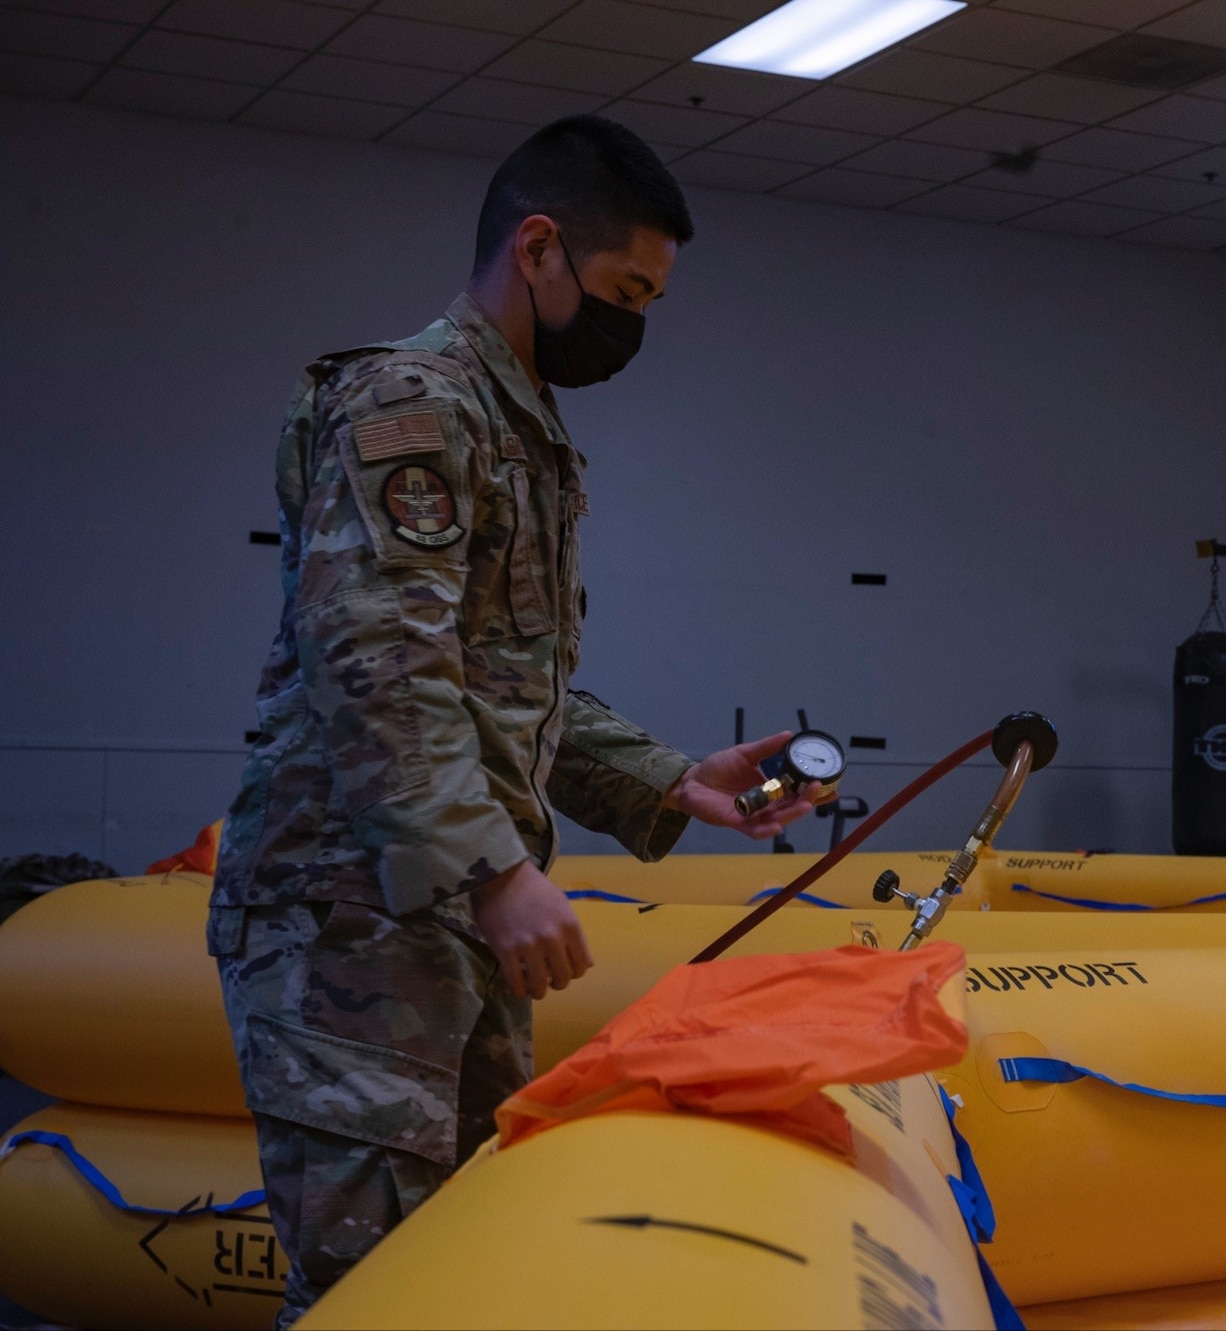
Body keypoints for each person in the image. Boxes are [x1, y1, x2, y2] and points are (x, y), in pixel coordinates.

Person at [207, 115, 820, 1327]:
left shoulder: (525, 431)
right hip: (351, 925)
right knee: (376, 1297)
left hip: (447, 931)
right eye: (623, 288)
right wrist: (493, 867)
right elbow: (377, 660)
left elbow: (497, 686)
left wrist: (668, 780)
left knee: (465, 1278)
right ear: (538, 247)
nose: (634, 321)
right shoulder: (411, 402)